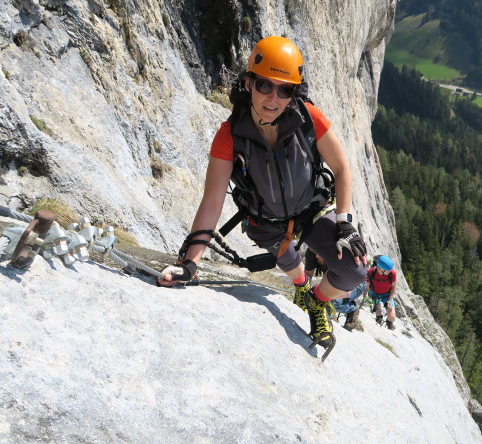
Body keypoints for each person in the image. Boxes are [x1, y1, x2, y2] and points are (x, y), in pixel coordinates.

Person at [158, 36, 367, 352]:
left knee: (354, 269)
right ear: (248, 83)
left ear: (294, 92)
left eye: (284, 90)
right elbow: (212, 200)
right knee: (290, 261)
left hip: (310, 208)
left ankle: (315, 300)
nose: (273, 98)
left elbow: (341, 167)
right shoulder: (230, 136)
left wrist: (345, 224)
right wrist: (190, 264)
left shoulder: (309, 118)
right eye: (264, 86)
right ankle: (300, 286)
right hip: (265, 219)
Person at [304, 247, 366, 331]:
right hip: (336, 282)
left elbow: (346, 291)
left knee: (333, 301)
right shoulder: (312, 251)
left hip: (355, 284)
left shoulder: (339, 255)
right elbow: (308, 275)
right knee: (316, 295)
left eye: (319, 252)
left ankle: (352, 309)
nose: (317, 255)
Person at [367, 255, 397, 330]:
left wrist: (389, 300)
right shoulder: (371, 272)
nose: (390, 271)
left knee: (392, 317)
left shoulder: (392, 273)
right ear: (379, 268)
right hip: (374, 294)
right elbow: (366, 285)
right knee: (378, 313)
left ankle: (389, 322)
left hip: (386, 294)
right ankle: (379, 319)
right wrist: (365, 297)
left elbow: (393, 287)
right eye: (388, 270)